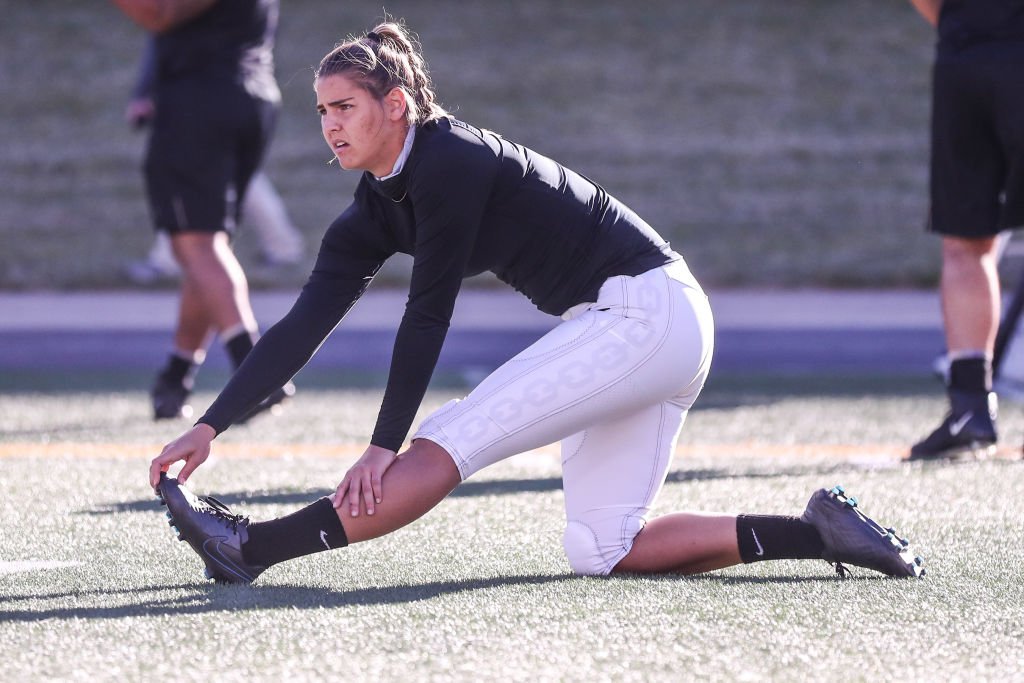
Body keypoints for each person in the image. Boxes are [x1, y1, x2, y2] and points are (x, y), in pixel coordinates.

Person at [149, 22, 925, 584]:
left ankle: (250, 548)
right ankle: (821, 531)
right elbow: (301, 324)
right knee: (603, 547)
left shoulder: (450, 158)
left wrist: (383, 443)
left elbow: (429, 312)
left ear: (395, 107)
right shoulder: (370, 211)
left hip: (644, 313)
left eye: (344, 107)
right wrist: (211, 424)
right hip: (648, 325)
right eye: (321, 111)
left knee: (445, 441)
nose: (330, 125)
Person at [110, 0, 294, 420]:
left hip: (202, 100)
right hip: (251, 94)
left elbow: (158, 13)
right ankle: (176, 377)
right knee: (206, 248)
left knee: (197, 246)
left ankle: (256, 373)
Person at [907, 0, 1024, 460]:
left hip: (966, 56)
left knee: (966, 241)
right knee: (965, 238)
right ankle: (969, 408)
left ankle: (970, 409)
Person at [123, 39, 305, 284]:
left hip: (203, 100)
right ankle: (283, 246)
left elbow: (166, 44)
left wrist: (145, 93)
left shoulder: (192, 12)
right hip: (248, 94)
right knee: (239, 176)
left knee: (187, 178)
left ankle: (169, 260)